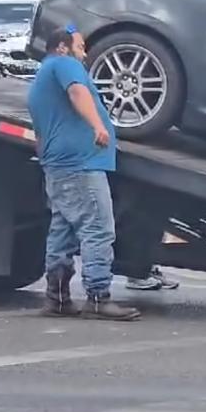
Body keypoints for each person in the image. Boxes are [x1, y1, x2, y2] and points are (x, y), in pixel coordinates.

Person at [27, 25, 140, 321]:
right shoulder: (64, 64)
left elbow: (40, 130)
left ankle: (58, 299)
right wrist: (98, 126)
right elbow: (77, 92)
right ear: (62, 47)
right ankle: (98, 298)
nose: (84, 53)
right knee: (98, 227)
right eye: (80, 46)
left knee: (62, 230)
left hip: (59, 164)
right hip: (80, 164)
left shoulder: (43, 75)